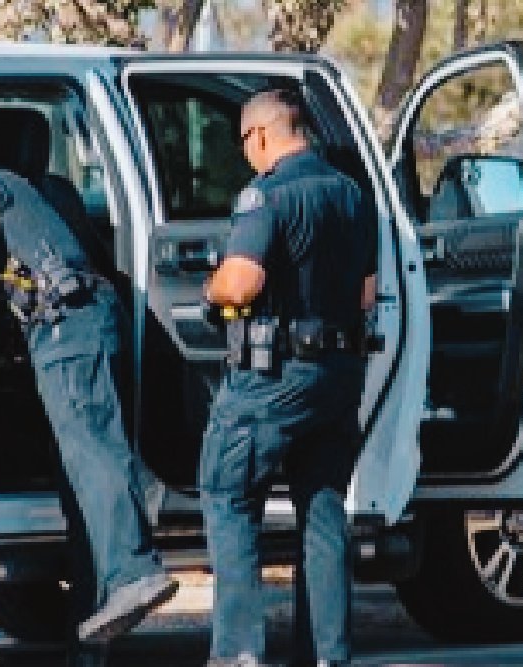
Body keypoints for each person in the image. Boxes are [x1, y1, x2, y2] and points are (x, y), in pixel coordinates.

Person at [0, 107, 177, 644]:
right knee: (77, 463)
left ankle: (134, 571)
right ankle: (97, 606)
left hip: (62, 327)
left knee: (90, 448)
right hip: (97, 318)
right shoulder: (49, 193)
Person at [200, 89, 377, 667]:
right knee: (323, 512)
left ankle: (237, 655)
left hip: (272, 379)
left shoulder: (265, 196)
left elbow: (241, 284)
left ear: (259, 136)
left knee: (229, 496)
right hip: (338, 373)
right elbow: (366, 293)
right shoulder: (351, 193)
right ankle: (328, 655)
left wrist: (213, 287)